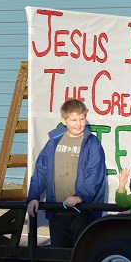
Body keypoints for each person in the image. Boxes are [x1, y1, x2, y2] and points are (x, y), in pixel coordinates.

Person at [26, 98, 106, 248]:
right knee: (61, 255)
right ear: (64, 120)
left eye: (82, 119)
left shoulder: (92, 143)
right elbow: (41, 170)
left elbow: (95, 174)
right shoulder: (54, 142)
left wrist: (80, 196)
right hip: (57, 211)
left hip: (81, 211)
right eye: (74, 119)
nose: (78, 123)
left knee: (81, 255)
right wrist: (33, 197)